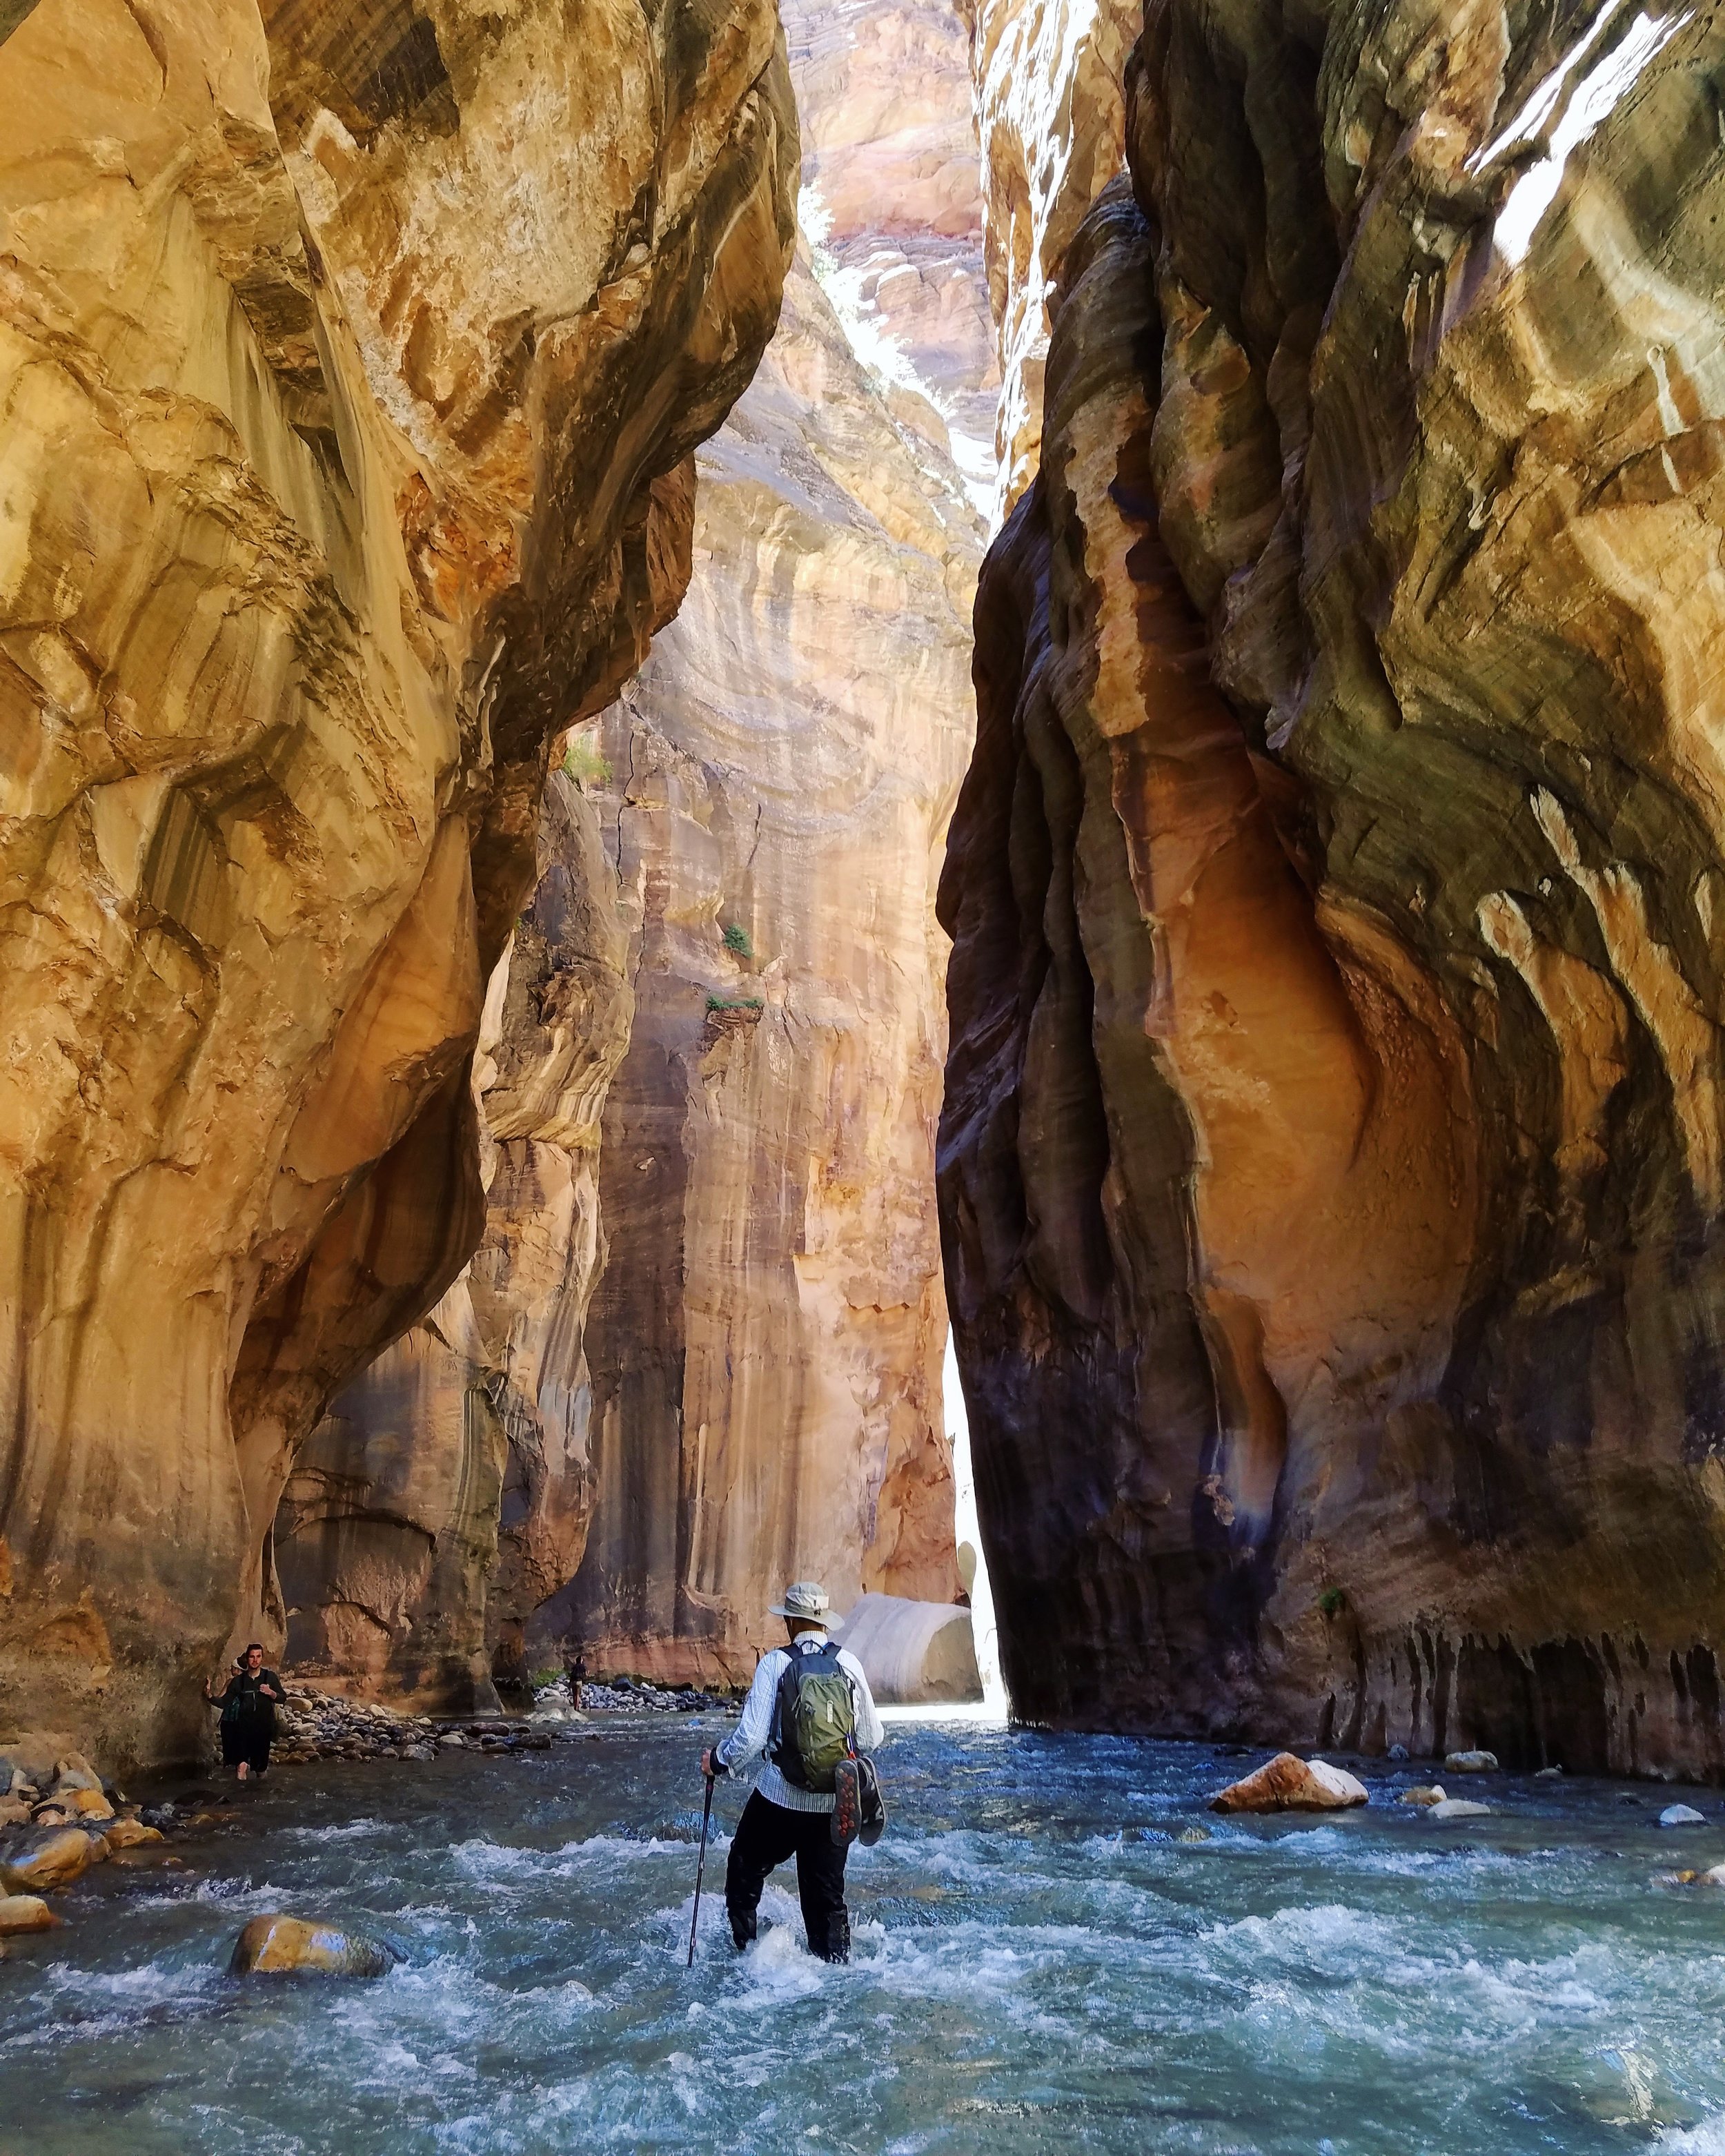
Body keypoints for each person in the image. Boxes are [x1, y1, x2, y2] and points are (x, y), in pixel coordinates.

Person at [700, 1580, 883, 1965]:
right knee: (827, 1898)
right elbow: (870, 1735)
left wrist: (717, 1760)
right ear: (824, 1622)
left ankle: (746, 1955)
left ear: (791, 1623)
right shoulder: (848, 1664)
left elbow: (750, 1738)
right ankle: (836, 1972)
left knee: (745, 1869)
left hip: (779, 1799)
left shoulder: (776, 1664)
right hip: (835, 1801)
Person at [204, 1643, 286, 1781]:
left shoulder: (270, 1677)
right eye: (252, 1657)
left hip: (263, 1728)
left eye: (258, 1657)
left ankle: (260, 1796)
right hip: (243, 1728)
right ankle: (240, 1796)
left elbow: (283, 1698)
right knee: (241, 1766)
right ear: (247, 1659)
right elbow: (224, 1702)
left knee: (260, 1769)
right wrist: (209, 1695)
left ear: (262, 1658)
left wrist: (271, 1692)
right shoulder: (238, 1681)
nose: (255, 1660)